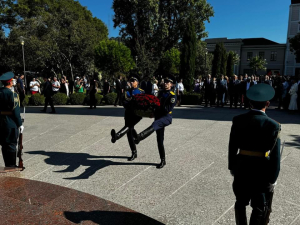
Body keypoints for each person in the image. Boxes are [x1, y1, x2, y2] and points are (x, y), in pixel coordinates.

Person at [229, 83, 281, 224]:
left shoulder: (238, 120)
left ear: (250, 102)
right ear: (268, 103)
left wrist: (232, 167)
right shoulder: (273, 125)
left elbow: (232, 147)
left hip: (241, 166)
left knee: (240, 202)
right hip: (261, 170)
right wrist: (273, 178)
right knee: (259, 206)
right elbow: (276, 157)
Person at [133, 76, 177, 169]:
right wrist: (151, 111)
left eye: (168, 82)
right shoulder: (160, 93)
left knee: (155, 125)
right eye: (165, 82)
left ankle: (139, 137)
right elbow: (154, 103)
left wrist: (157, 108)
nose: (166, 83)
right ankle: (163, 160)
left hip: (166, 117)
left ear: (171, 84)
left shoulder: (172, 95)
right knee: (159, 140)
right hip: (158, 116)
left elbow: (167, 109)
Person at [111, 77, 144, 161]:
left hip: (136, 115)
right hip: (128, 114)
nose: (131, 82)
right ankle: (134, 151)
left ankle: (117, 136)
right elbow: (124, 102)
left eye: (133, 81)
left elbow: (143, 103)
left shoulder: (140, 91)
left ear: (137, 82)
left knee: (129, 127)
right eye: (131, 81)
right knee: (129, 132)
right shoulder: (127, 92)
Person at [0, 72, 23, 168]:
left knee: (4, 144)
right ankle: (11, 165)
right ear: (10, 82)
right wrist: (20, 124)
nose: (14, 81)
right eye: (12, 80)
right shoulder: (12, 94)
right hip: (11, 123)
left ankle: (6, 164)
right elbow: (16, 112)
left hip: (1, 122)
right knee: (12, 144)